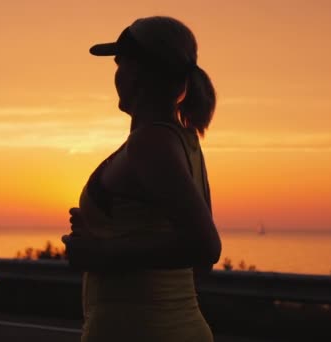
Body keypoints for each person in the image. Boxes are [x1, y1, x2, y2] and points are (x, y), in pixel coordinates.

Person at [61, 16, 222, 341]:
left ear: (139, 71)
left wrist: (101, 254)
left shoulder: (150, 143)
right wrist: (104, 234)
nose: (116, 76)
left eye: (120, 64)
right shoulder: (182, 141)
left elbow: (204, 247)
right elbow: (185, 251)